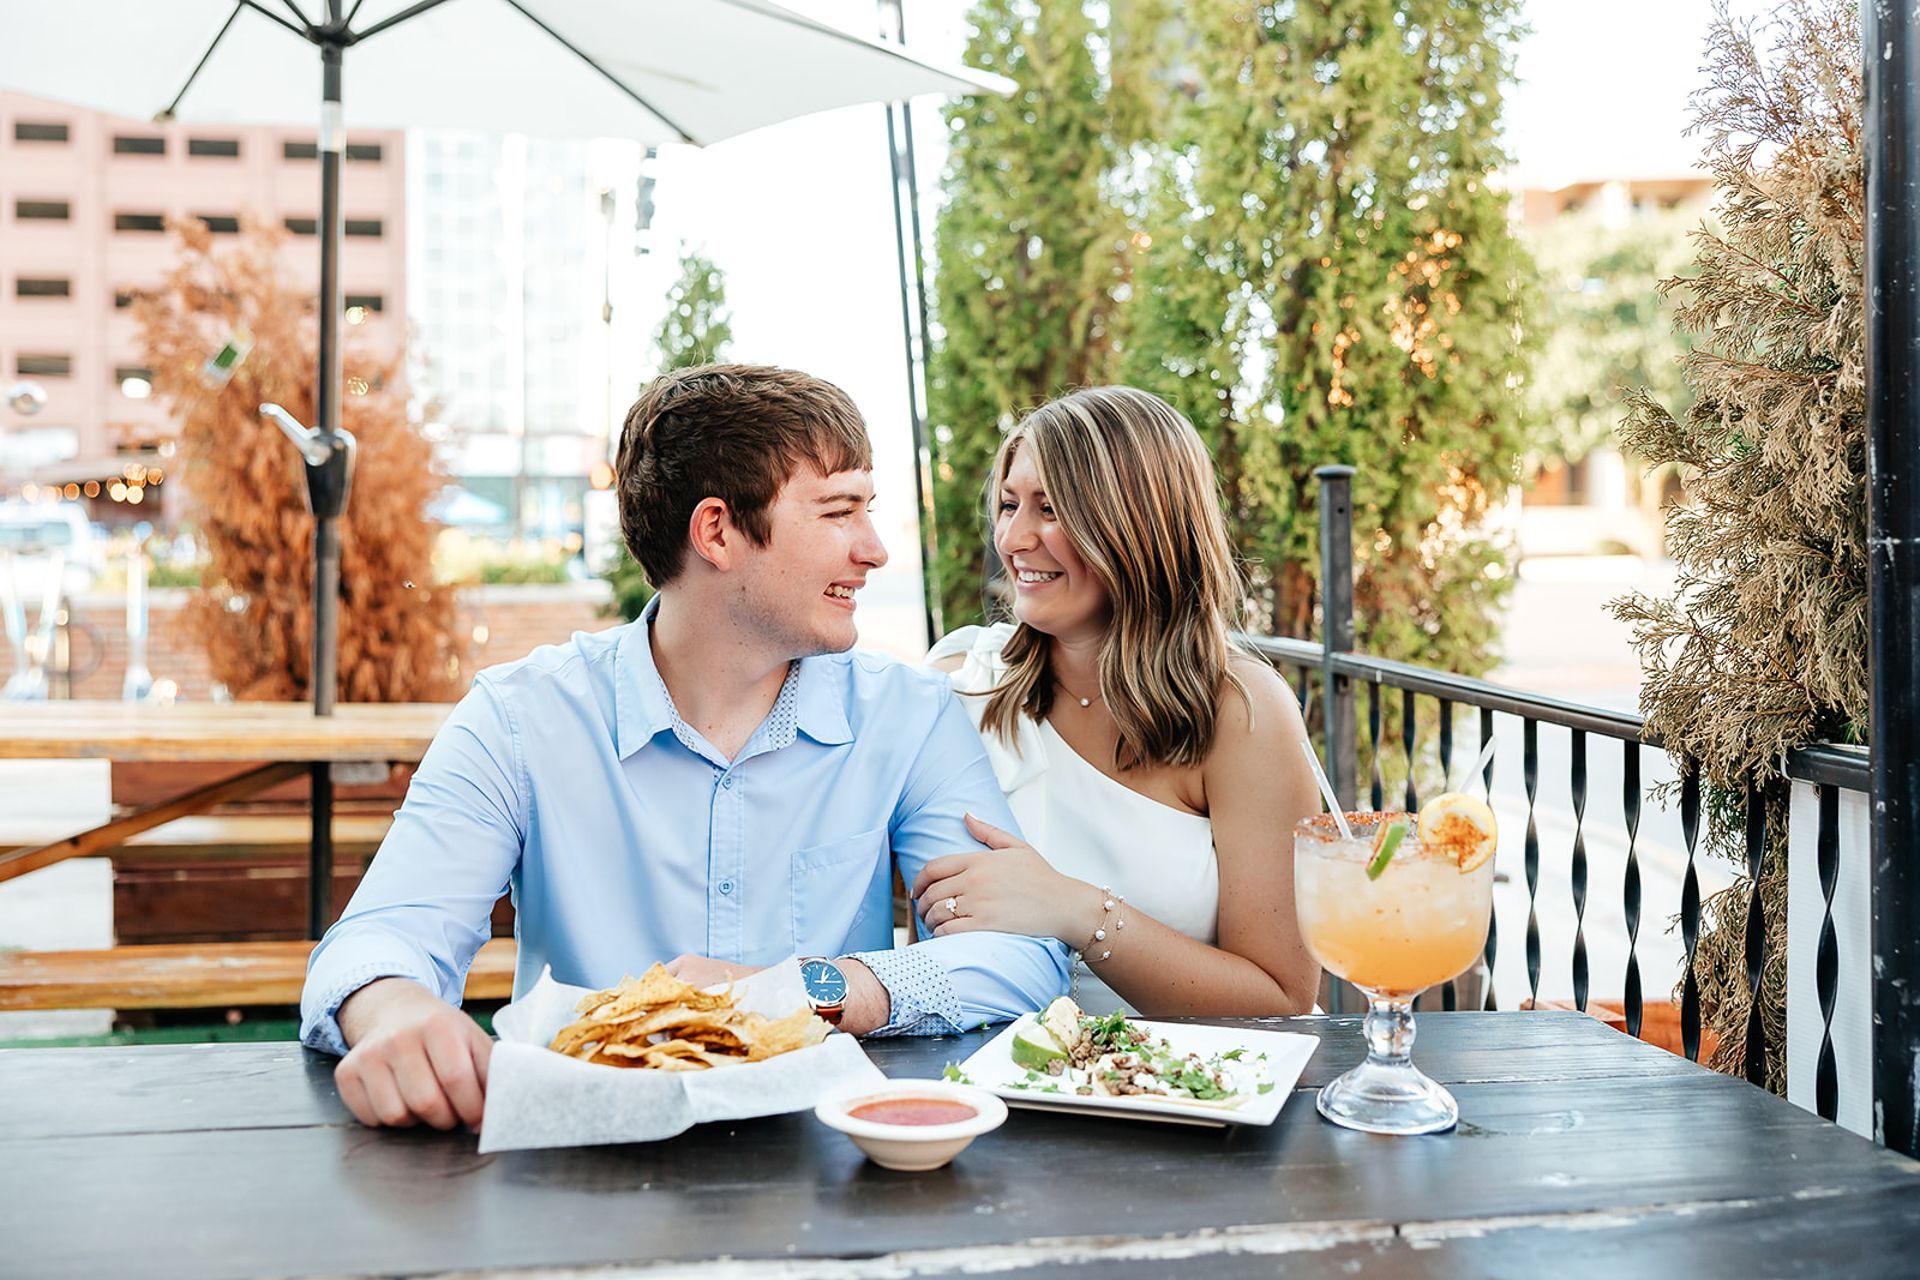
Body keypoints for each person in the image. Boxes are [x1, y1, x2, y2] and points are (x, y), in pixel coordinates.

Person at [301, 363, 1070, 1130]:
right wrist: (394, 1011)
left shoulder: (909, 716)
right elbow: (378, 939)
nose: (873, 551)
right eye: (839, 513)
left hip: (831, 1170)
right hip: (584, 1160)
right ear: (717, 532)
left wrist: (813, 988)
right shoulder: (519, 718)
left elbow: (1021, 958)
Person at [916, 386, 1321, 1017]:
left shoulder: (1241, 710)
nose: (1014, 538)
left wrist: (1074, 909)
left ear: (1136, 525)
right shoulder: (960, 683)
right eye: (1007, 504)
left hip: (1196, 1088)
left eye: (1050, 509)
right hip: (992, 1084)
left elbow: (1282, 998)